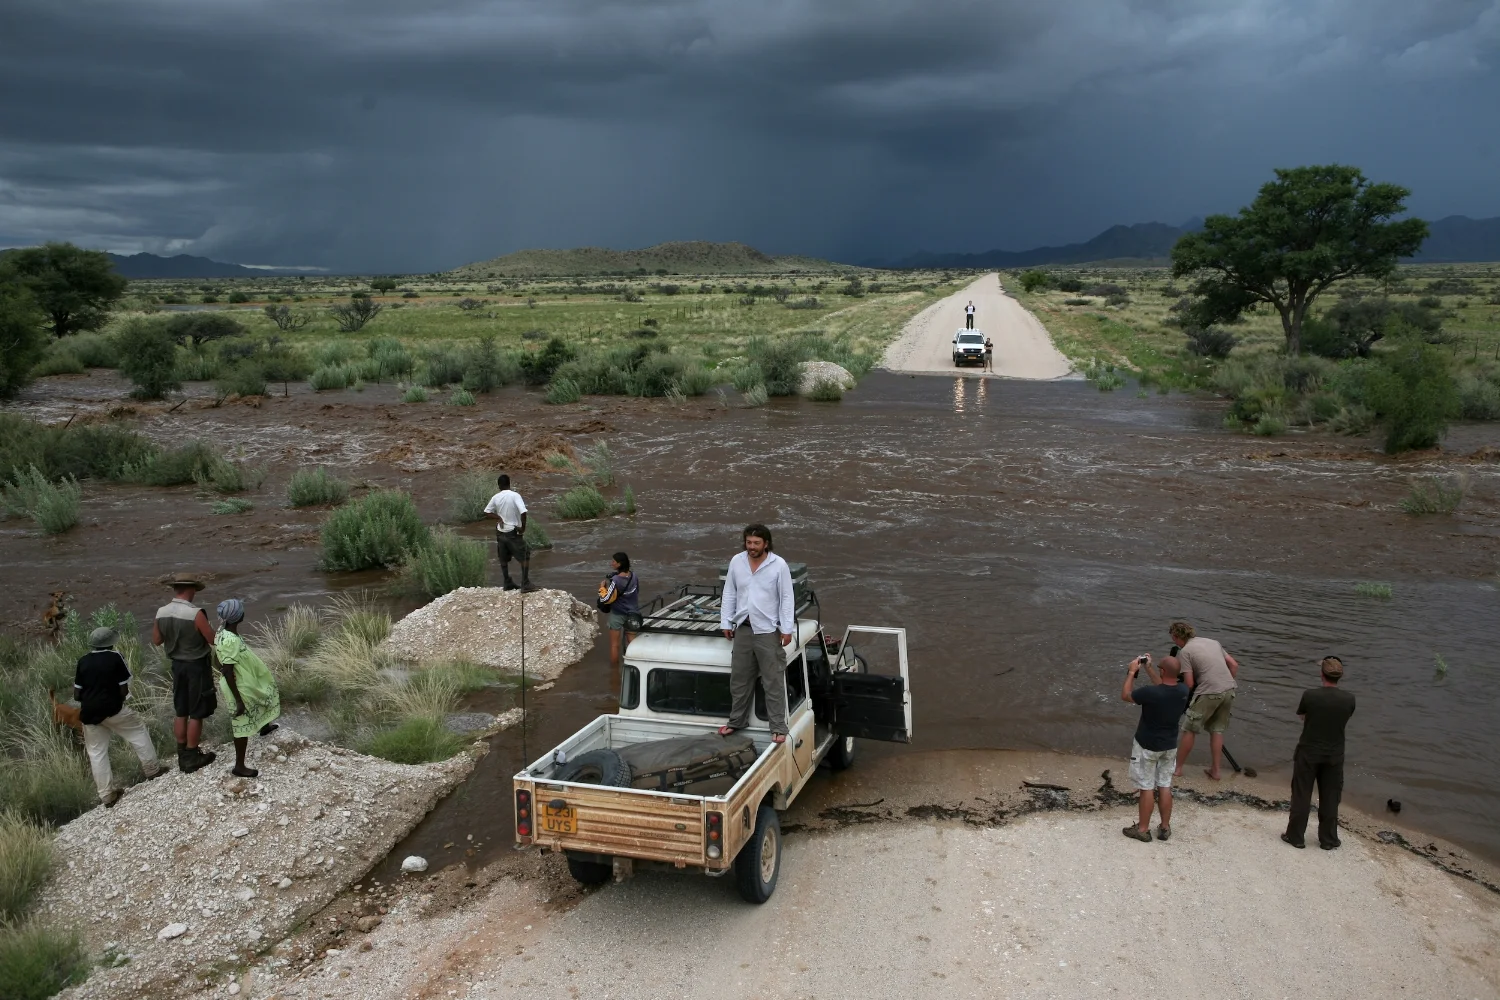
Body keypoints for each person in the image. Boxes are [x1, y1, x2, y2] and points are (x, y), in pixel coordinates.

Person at [718, 524, 795, 744]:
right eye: (749, 542)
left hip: (768, 630)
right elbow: (730, 592)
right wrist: (726, 621)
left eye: (756, 543)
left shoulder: (778, 565)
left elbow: (786, 598)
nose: (751, 547)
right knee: (739, 680)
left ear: (766, 544)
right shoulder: (737, 561)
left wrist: (786, 629)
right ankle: (736, 721)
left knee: (772, 681)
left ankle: (778, 727)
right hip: (742, 628)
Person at [74, 627, 164, 807]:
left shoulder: (82, 661)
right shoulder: (116, 657)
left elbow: (77, 695)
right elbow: (124, 688)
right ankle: (152, 770)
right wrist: (115, 699)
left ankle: (107, 796)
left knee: (97, 753)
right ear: (111, 641)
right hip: (113, 709)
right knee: (138, 733)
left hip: (90, 714)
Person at [1282, 656, 1356, 850]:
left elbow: (1302, 716)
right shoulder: (1349, 699)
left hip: (1308, 751)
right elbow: (1346, 717)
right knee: (1331, 796)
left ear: (1321, 674)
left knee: (1302, 794)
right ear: (1340, 676)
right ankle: (1328, 839)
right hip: (1334, 754)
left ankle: (1296, 836)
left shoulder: (1310, 695)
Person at [1120, 653, 1189, 841]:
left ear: (1163, 670)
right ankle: (1165, 827)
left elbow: (1125, 695)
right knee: (1165, 785)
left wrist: (1132, 672)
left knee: (1146, 787)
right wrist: (1149, 668)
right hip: (1169, 746)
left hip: (1147, 745)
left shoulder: (1150, 693)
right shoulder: (1183, 690)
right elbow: (1164, 685)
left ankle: (1142, 829)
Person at [152, 574, 218, 773]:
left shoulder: (161, 612)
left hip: (177, 666)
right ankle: (191, 756)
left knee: (181, 710)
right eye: (195, 590)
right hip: (196, 666)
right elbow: (212, 639)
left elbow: (156, 640)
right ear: (190, 589)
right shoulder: (195, 613)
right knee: (197, 711)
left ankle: (181, 751)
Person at [213, 599, 282, 779]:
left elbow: (216, 657)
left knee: (263, 694)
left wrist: (221, 667)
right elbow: (228, 671)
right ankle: (239, 766)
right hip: (239, 684)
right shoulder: (230, 640)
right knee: (241, 722)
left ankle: (264, 726)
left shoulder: (222, 632)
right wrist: (238, 699)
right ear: (239, 617)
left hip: (245, 678)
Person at [1169, 620, 1239, 780]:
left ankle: (1178, 769)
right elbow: (1234, 665)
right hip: (1229, 689)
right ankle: (1216, 771)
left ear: (1176, 636)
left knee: (1190, 729)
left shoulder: (1185, 651)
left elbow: (1189, 683)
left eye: (1173, 638)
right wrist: (1221, 683)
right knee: (1217, 730)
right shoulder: (1213, 642)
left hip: (1208, 692)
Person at [483, 474, 535, 592]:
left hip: (500, 532)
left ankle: (507, 582)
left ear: (499, 486)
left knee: (503, 558)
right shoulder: (515, 495)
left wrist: (498, 517)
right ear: (509, 483)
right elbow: (523, 512)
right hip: (512, 532)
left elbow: (487, 512)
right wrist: (523, 528)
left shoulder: (496, 497)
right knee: (525, 555)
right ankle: (525, 583)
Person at [597, 552, 640, 672]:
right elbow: (636, 592)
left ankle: (614, 673)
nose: (612, 563)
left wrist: (602, 588)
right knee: (632, 644)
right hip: (633, 613)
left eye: (614, 562)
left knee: (614, 645)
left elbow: (605, 598)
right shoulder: (634, 576)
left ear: (619, 564)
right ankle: (636, 668)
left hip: (618, 614)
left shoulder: (615, 580)